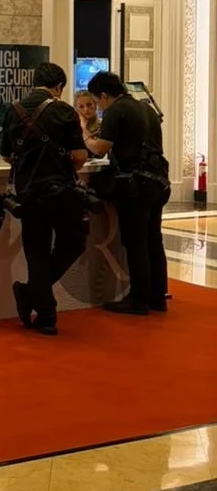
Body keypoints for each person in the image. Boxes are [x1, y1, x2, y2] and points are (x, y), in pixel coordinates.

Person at [0, 63, 89, 336]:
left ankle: (45, 315)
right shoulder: (64, 111)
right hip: (61, 193)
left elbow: (5, 155)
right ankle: (32, 298)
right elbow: (80, 157)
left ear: (34, 82)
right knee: (73, 243)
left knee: (36, 252)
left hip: (28, 193)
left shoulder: (13, 111)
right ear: (59, 87)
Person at [82, 71, 170, 315]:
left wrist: (86, 137)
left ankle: (139, 299)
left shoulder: (115, 111)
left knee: (135, 241)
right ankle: (158, 296)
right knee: (153, 238)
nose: (98, 107)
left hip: (135, 185)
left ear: (103, 95)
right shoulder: (147, 109)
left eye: (97, 102)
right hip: (158, 180)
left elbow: (100, 149)